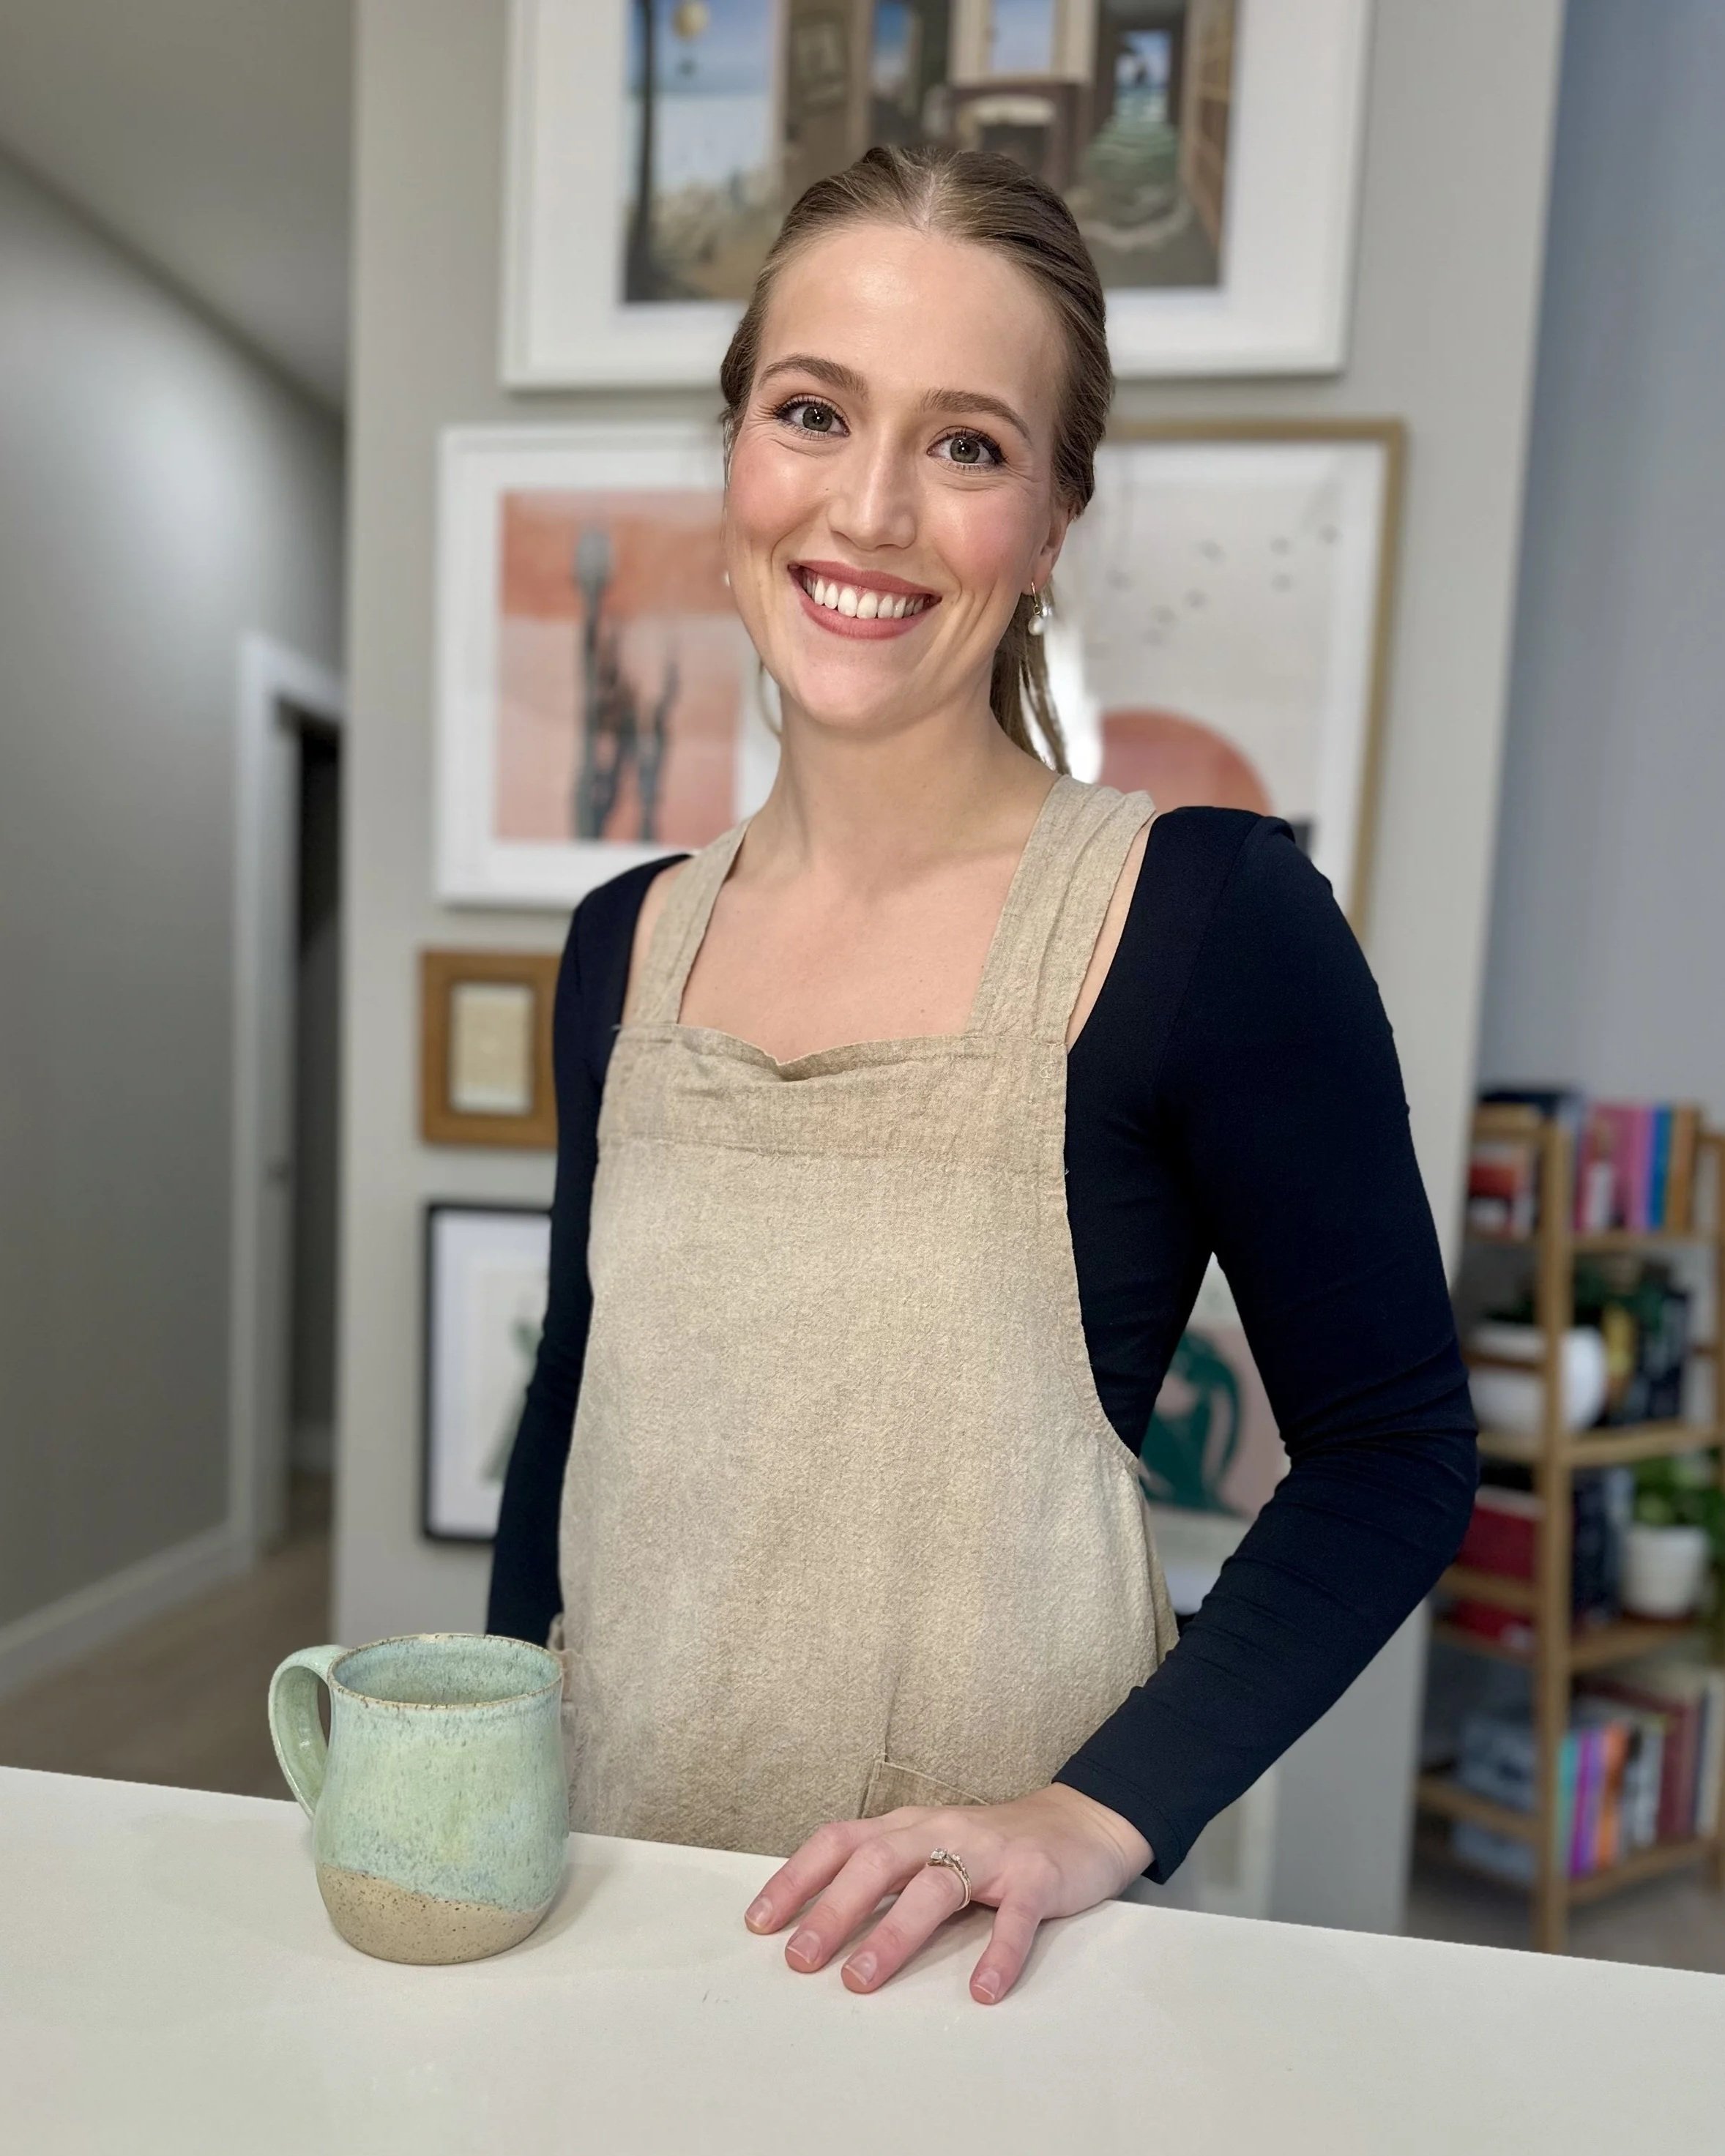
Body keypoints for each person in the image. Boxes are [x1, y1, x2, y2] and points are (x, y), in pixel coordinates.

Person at [488, 144, 1478, 2006]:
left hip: (979, 1992)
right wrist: (491, 1763)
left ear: (1047, 524)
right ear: (735, 449)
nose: (867, 509)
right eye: (811, 412)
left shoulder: (1202, 920)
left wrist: (1095, 1813)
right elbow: (578, 1394)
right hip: (614, 1921)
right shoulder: (623, 941)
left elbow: (1393, 1452)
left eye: (964, 445)